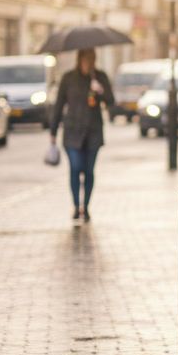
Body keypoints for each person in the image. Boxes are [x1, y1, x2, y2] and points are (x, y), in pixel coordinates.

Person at [49, 48, 115, 224]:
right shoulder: (69, 78)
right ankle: (75, 205)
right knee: (76, 167)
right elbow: (59, 105)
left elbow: (111, 102)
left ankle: (85, 207)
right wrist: (53, 132)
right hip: (72, 132)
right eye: (85, 59)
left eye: (91, 60)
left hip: (93, 132)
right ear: (79, 60)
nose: (88, 63)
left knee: (89, 171)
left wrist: (100, 90)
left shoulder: (100, 77)